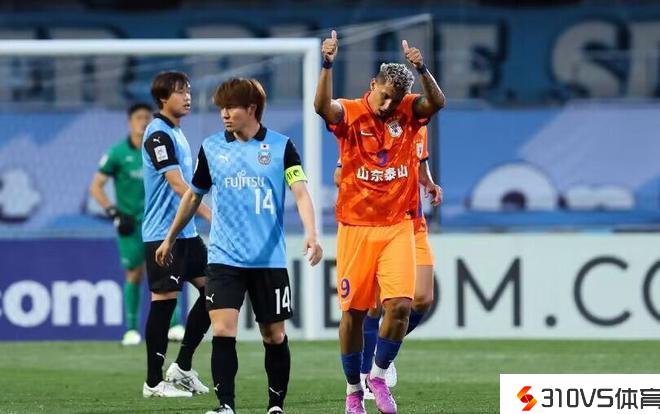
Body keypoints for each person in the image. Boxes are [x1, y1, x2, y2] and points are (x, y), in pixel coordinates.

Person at [156, 77, 323, 414]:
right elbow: (193, 196)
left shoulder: (281, 147)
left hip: (268, 259)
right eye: (221, 108)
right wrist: (170, 236)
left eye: (230, 107)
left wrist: (312, 233)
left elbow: (301, 192)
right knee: (222, 330)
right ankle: (226, 406)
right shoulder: (212, 148)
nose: (224, 114)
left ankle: (275, 406)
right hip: (224, 258)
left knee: (274, 336)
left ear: (251, 108)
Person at [315, 30, 445, 414]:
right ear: (373, 84)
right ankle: (353, 391)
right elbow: (322, 107)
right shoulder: (350, 112)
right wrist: (327, 65)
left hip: (398, 225)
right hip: (356, 228)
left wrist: (422, 69)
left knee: (403, 305)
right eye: (384, 95)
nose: (387, 104)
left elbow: (438, 102)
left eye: (394, 98)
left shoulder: (408, 113)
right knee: (353, 315)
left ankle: (378, 374)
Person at [335, 126, 443, 400]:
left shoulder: (418, 126)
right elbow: (339, 173)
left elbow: (420, 164)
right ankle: (365, 377)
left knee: (422, 298)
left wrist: (428, 183)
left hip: (412, 222)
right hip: (375, 223)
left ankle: (381, 354)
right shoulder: (367, 126)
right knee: (373, 305)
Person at [90, 102, 187, 347]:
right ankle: (131, 330)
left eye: (146, 117)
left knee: (166, 271)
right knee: (133, 273)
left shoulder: (159, 148)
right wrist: (113, 212)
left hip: (158, 220)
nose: (143, 122)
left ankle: (175, 325)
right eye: (138, 117)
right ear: (129, 122)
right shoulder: (117, 153)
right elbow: (96, 187)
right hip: (130, 224)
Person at [141, 71, 213, 398]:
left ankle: (182, 367)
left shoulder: (176, 132)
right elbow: (177, 184)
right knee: (164, 304)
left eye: (188, 90)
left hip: (187, 233)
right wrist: (211, 215)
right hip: (162, 233)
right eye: (180, 92)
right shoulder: (157, 134)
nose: (187, 97)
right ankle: (153, 383)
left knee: (216, 292)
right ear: (162, 98)